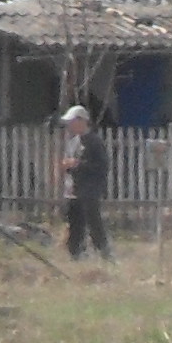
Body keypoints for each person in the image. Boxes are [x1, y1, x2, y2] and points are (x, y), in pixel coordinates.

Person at [56, 105, 111, 261]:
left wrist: (78, 164)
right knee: (75, 224)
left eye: (71, 122)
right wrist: (67, 166)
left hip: (90, 190)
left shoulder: (94, 142)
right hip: (74, 190)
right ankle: (76, 255)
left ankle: (105, 255)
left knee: (94, 224)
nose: (69, 126)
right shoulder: (74, 142)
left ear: (81, 121)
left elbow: (102, 166)